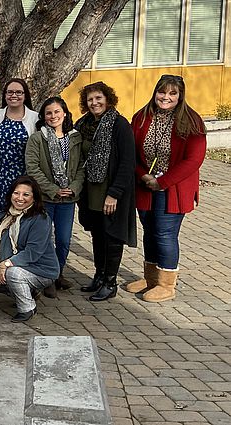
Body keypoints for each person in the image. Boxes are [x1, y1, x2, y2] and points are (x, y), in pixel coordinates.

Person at [129, 74, 206, 303]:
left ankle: (166, 284)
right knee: (150, 231)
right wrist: (142, 175)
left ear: (180, 96)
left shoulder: (192, 121)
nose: (166, 97)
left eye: (172, 93)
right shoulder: (142, 117)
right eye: (162, 92)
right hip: (145, 185)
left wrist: (161, 182)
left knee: (165, 234)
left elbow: (194, 160)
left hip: (172, 188)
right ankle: (151, 278)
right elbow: (130, 151)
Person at [74, 82, 137, 302]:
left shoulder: (119, 124)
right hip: (90, 190)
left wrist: (115, 193)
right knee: (98, 234)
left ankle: (110, 282)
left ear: (107, 99)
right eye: (90, 99)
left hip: (111, 191)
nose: (95, 103)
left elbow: (128, 162)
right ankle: (99, 275)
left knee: (112, 236)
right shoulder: (82, 125)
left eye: (99, 98)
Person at [25, 97, 85, 298]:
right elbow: (32, 167)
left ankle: (58, 272)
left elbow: (81, 168)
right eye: (49, 113)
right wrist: (52, 189)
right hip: (46, 198)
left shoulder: (76, 138)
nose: (53, 116)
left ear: (65, 114)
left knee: (64, 239)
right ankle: (47, 277)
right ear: (43, 116)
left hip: (68, 200)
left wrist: (73, 187)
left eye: (57, 112)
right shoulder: (37, 138)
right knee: (44, 239)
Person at [0, 176, 59, 322]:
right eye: (16, 193)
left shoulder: (41, 218)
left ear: (34, 198)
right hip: (15, 264)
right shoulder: (6, 215)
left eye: (26, 194)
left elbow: (32, 253)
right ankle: (28, 291)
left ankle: (27, 307)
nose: (20, 198)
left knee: (12, 273)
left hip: (41, 269)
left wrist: (6, 263)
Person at [0, 78, 38, 221]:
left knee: (21, 220)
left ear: (25, 95)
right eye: (10, 92)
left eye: (18, 92)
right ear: (4, 95)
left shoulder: (34, 118)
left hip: (22, 180)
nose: (14, 95)